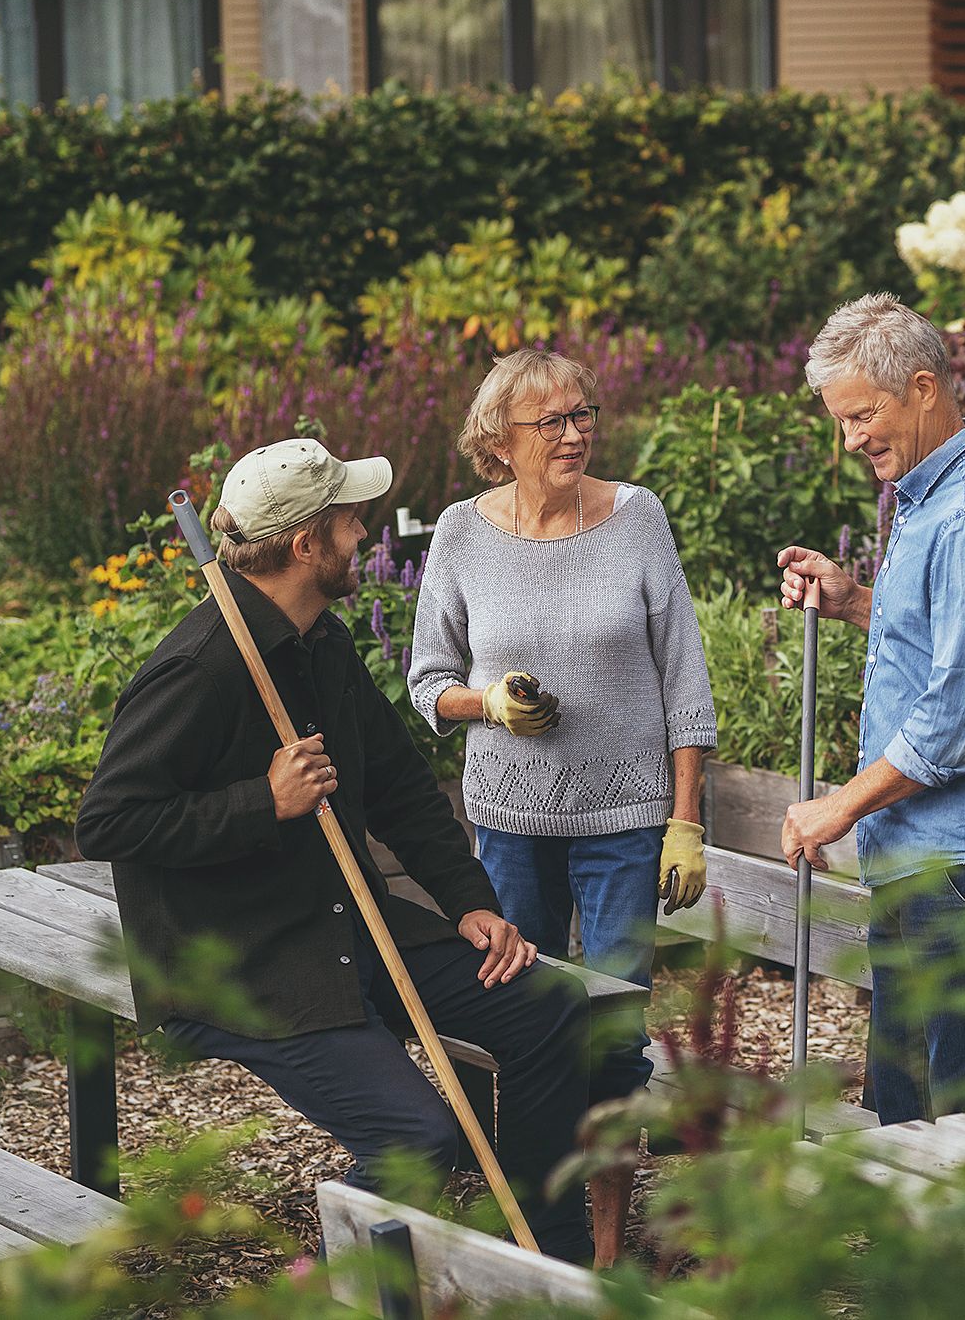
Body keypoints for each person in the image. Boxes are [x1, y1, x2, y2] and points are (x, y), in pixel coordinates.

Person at [76, 437, 596, 1263]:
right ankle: (330, 1289)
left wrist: (471, 902)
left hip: (346, 926)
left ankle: (549, 1267)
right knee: (417, 1141)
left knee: (550, 1009)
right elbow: (110, 820)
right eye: (351, 519)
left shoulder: (324, 643)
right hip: (250, 966)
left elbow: (400, 790)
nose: (364, 533)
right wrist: (263, 800)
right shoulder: (201, 668)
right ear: (304, 544)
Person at [408, 347, 716, 1266]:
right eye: (553, 421)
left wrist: (686, 819)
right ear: (500, 440)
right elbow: (427, 681)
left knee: (614, 1040)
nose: (576, 433)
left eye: (584, 414)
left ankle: (607, 1254)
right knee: (522, 1027)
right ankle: (539, 1243)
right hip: (508, 824)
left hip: (626, 823)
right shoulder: (461, 533)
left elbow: (685, 680)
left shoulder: (636, 517)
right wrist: (488, 702)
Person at [773, 294, 965, 1125]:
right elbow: (959, 642)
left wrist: (838, 805)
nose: (850, 438)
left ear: (923, 387)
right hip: (923, 853)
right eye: (841, 420)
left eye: (862, 415)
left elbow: (956, 721)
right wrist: (855, 601)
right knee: (905, 1113)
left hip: (964, 861)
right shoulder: (930, 498)